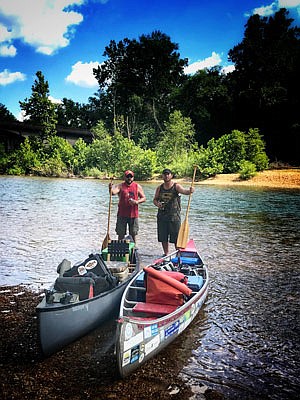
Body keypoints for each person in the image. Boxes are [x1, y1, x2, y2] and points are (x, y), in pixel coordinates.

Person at [153, 168, 195, 255]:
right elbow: (155, 200)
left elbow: (185, 191)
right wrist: (158, 204)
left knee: (176, 238)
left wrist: (190, 191)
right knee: (163, 237)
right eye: (165, 174)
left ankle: (178, 254)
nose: (166, 175)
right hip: (162, 216)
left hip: (174, 217)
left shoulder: (176, 186)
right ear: (162, 176)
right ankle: (166, 254)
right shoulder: (159, 188)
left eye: (168, 174)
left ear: (171, 176)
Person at [109, 170, 146, 243]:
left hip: (133, 214)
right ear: (124, 177)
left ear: (133, 177)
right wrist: (110, 188)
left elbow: (144, 198)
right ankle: (120, 248)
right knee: (121, 233)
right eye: (127, 176)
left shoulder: (137, 186)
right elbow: (112, 193)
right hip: (122, 214)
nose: (129, 178)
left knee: (133, 234)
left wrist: (136, 202)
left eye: (131, 176)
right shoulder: (120, 186)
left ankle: (134, 249)